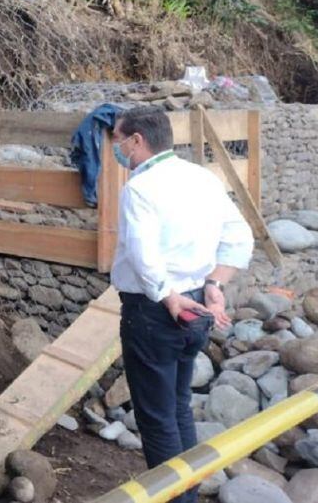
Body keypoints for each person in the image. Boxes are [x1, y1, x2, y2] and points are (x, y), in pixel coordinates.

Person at [110, 106, 253, 503]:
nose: (116, 148)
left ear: (137, 141)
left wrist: (167, 296)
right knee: (178, 407)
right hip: (198, 309)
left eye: (118, 139)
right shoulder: (202, 178)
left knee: (156, 420)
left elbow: (143, 256)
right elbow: (240, 236)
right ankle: (190, 492)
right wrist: (215, 284)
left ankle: (175, 498)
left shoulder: (139, 188)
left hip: (155, 311)